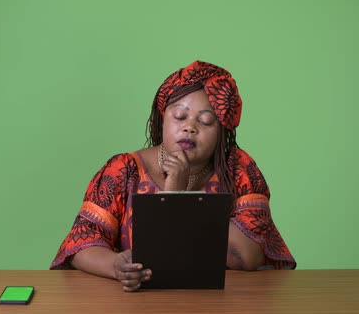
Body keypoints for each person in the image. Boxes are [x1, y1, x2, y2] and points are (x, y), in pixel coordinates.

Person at [50, 60, 296, 291]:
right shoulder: (123, 169)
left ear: (221, 132)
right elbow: (81, 245)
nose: (190, 127)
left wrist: (177, 195)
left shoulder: (238, 169)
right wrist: (116, 266)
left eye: (206, 121)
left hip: (218, 301)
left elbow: (246, 257)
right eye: (179, 116)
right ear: (162, 118)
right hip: (138, 302)